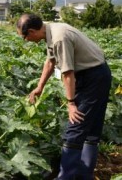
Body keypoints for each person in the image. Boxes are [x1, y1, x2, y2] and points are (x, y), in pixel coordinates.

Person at [16, 14, 112, 179]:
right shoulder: (50, 30)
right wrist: (39, 87)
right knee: (90, 129)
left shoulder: (59, 38)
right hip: (96, 74)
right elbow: (50, 62)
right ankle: (84, 175)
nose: (25, 40)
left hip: (93, 77)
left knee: (76, 125)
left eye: (24, 37)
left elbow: (67, 73)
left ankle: (65, 176)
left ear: (31, 31)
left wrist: (71, 103)